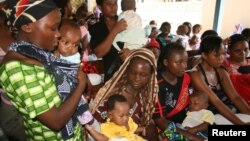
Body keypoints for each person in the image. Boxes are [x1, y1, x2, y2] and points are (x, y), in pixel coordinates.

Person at [0, 0, 88, 140]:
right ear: (27, 26)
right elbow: (56, 121)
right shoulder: (17, 70)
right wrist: (80, 86)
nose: (58, 34)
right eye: (53, 28)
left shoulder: (37, 53)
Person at [91, 48, 159, 141]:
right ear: (126, 70)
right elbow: (96, 128)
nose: (137, 79)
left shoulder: (146, 98)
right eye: (133, 73)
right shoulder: (111, 96)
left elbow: (143, 125)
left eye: (143, 75)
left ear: (150, 75)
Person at [190, 35, 250, 125]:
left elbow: (235, 97)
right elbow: (215, 101)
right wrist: (241, 124)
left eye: (223, 53)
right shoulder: (196, 74)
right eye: (216, 55)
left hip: (227, 109)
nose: (221, 58)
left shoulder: (221, 71)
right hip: (209, 115)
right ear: (204, 55)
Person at [153, 43, 203, 141]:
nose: (184, 66)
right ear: (166, 62)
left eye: (185, 61)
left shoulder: (186, 78)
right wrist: (191, 137)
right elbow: (160, 121)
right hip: (167, 126)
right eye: (179, 62)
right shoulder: (157, 85)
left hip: (188, 120)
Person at [88, 0, 128, 82]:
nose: (114, 7)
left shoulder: (126, 22)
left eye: (115, 3)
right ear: (100, 7)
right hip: (108, 78)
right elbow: (99, 53)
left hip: (127, 74)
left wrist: (131, 52)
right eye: (109, 4)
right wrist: (115, 30)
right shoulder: (95, 28)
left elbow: (140, 43)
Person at [223, 34, 250, 105]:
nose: (243, 53)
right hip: (237, 104)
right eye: (238, 51)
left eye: (246, 49)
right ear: (229, 50)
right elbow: (201, 59)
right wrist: (221, 43)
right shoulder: (223, 63)